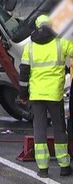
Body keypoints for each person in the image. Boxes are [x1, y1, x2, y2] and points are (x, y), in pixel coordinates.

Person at [19, 14, 73, 178]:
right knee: (59, 129)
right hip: (54, 94)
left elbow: (24, 72)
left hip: (36, 95)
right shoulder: (60, 43)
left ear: (36, 27)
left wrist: (23, 93)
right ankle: (64, 166)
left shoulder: (29, 47)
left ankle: (43, 168)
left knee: (39, 129)